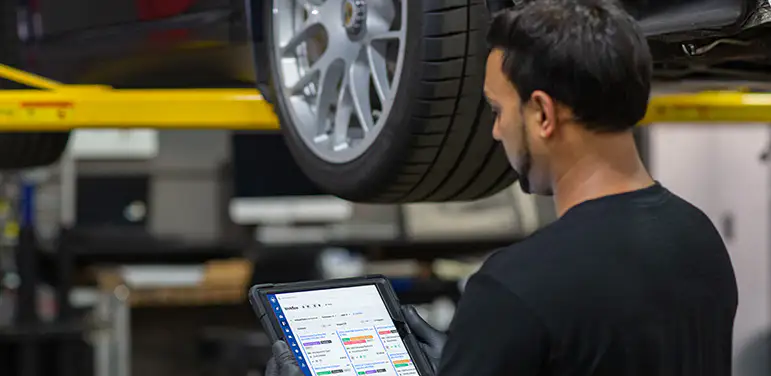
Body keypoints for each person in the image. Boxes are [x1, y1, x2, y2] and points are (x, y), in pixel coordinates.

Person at [265, 0, 739, 375]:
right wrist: (480, 352)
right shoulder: (699, 239)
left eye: (496, 111)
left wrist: (490, 339)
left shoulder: (516, 286)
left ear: (543, 114)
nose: (494, 132)